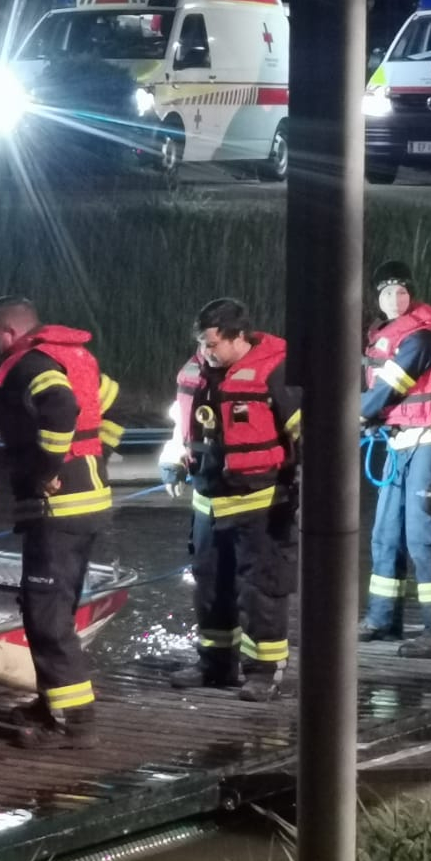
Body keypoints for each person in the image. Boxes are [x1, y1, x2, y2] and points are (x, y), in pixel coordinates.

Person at [0, 296, 119, 748]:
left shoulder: (30, 364)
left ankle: (73, 723)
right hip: (88, 503)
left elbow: (61, 408)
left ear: (10, 331)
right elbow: (108, 403)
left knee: (46, 617)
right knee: (55, 610)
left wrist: (46, 468)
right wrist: (96, 454)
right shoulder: (74, 357)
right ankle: (52, 702)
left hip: (57, 510)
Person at [160, 298, 301, 702]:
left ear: (240, 337)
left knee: (260, 590)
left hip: (261, 502)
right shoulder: (197, 372)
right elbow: (181, 425)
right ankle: (215, 664)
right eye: (202, 344)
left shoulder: (276, 371)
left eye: (213, 344)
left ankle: (264, 672)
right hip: (208, 501)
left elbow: (307, 432)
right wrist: (172, 461)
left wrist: (305, 491)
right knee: (209, 586)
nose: (206, 352)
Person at [359, 259, 431, 656]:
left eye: (402, 291)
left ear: (411, 294)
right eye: (387, 292)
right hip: (401, 441)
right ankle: (383, 620)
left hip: (429, 440)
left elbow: (389, 388)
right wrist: (371, 418)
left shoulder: (423, 337)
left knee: (423, 538)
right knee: (385, 535)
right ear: (378, 298)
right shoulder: (389, 335)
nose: (395, 299)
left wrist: (356, 415)